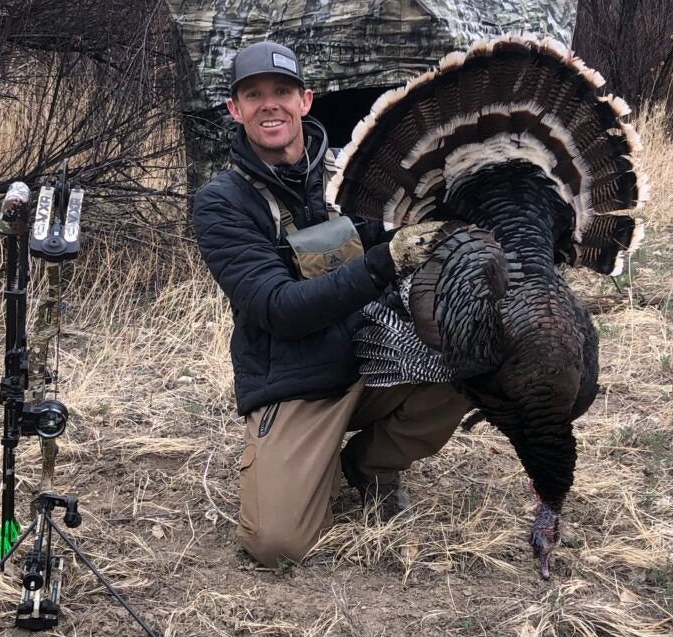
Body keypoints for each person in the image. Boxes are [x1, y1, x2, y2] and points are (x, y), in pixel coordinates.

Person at [192, 41, 470, 567]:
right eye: (253, 95)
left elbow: (391, 234)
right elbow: (277, 307)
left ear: (305, 100)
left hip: (376, 352)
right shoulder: (222, 202)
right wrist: (387, 260)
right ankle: (299, 457)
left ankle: (371, 465)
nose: (269, 105)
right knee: (276, 546)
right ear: (235, 109)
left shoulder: (351, 172)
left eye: (282, 91)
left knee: (476, 349)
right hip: (297, 377)